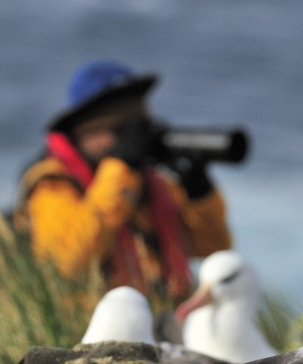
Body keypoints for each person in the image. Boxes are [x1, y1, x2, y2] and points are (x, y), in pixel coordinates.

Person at [15, 60, 232, 302]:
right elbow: (67, 261)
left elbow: (212, 250)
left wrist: (198, 190)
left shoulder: (150, 184)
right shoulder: (53, 184)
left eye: (136, 130)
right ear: (87, 132)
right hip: (91, 331)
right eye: (120, 131)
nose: (130, 141)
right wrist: (120, 167)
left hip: (156, 325)